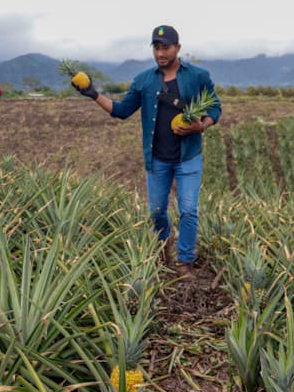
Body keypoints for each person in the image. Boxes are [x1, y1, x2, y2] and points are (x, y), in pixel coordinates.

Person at [75, 25, 221, 272]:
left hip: (188, 157)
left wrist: (201, 126)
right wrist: (93, 94)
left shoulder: (198, 76)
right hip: (158, 160)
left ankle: (185, 260)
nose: (160, 53)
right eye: (156, 47)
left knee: (188, 210)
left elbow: (215, 108)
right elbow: (122, 111)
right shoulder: (144, 80)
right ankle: (163, 247)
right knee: (156, 212)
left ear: (178, 48)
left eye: (166, 47)